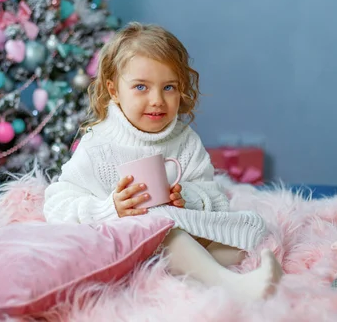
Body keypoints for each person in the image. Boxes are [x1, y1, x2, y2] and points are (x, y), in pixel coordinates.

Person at [43, 22, 283, 301]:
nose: (157, 100)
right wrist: (111, 208)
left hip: (174, 233)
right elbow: (57, 203)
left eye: (168, 87)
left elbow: (215, 199)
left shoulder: (184, 140)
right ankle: (233, 286)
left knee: (249, 230)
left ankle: (191, 277)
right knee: (157, 222)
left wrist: (187, 198)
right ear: (114, 90)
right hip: (121, 244)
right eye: (141, 87)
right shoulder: (99, 144)